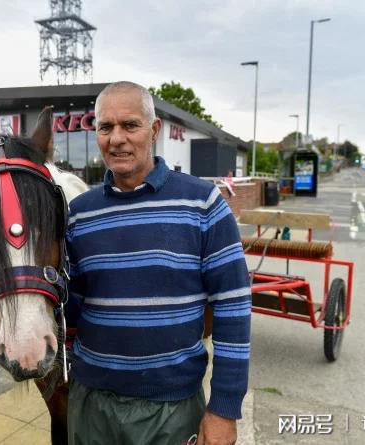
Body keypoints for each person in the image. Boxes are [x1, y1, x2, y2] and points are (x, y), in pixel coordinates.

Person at [66, 81, 251, 445]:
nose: (116, 138)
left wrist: (224, 409)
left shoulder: (202, 203)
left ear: (154, 131)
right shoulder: (78, 214)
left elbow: (233, 305)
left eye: (129, 125)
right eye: (105, 127)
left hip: (171, 410)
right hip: (90, 405)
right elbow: (71, 310)